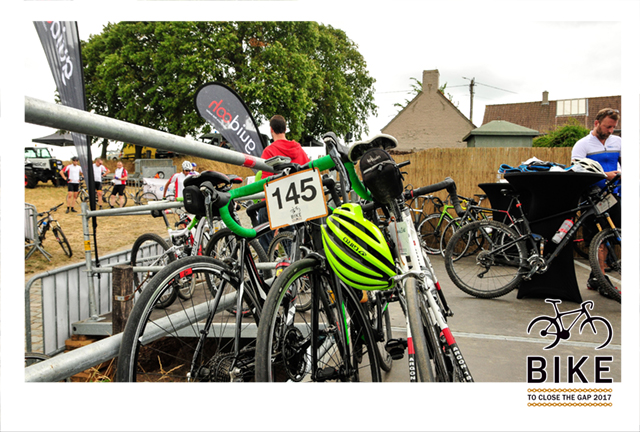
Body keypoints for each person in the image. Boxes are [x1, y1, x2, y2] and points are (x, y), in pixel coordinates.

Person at [571, 108, 621, 295]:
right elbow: (577, 171)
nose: (610, 131)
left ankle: (596, 278)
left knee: (610, 236)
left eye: (613, 128)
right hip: (591, 197)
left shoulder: (618, 142)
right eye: (607, 127)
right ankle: (601, 280)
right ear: (596, 123)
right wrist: (604, 175)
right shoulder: (582, 145)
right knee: (596, 239)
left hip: (613, 195)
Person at [256, 115, 311, 252]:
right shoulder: (298, 149)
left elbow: (266, 181)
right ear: (285, 129)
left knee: (264, 231)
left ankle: (266, 262)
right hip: (298, 199)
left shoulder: (269, 151)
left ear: (271, 129)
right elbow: (308, 172)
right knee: (292, 240)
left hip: (278, 200)